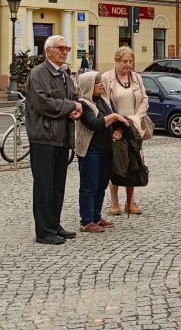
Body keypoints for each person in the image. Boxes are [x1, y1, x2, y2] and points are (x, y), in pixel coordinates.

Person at [25, 35, 83, 245]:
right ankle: (44, 231)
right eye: (60, 48)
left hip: (61, 136)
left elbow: (74, 99)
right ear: (48, 50)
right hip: (43, 137)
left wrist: (76, 109)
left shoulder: (65, 75)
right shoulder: (38, 73)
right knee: (44, 185)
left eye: (67, 48)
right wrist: (71, 107)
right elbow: (43, 104)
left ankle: (54, 224)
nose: (65, 51)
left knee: (58, 185)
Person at [76, 72, 129, 233]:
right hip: (90, 149)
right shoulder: (83, 104)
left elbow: (118, 120)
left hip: (106, 148)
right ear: (88, 85)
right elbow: (94, 124)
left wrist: (119, 130)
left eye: (101, 81)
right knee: (89, 185)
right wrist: (113, 116)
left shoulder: (106, 100)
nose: (101, 84)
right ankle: (86, 221)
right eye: (97, 82)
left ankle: (96, 216)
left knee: (101, 185)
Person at [101, 46, 149, 214]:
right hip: (115, 127)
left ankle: (131, 202)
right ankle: (114, 202)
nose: (128, 64)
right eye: (124, 61)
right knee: (117, 163)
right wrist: (118, 124)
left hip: (134, 127)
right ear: (116, 61)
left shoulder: (136, 78)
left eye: (130, 61)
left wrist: (136, 118)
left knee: (134, 163)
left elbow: (144, 99)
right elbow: (105, 104)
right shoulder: (106, 78)